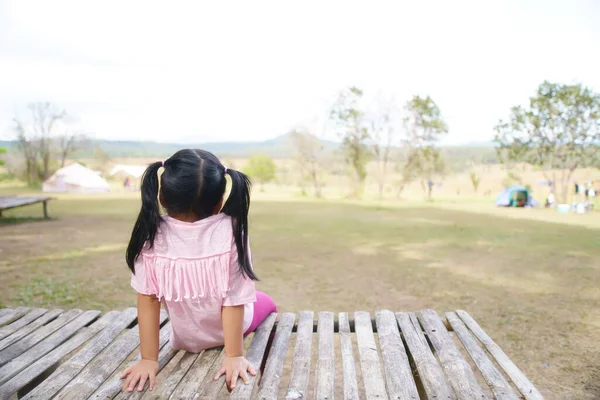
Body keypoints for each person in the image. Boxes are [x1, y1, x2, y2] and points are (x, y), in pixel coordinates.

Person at [120, 149, 277, 393]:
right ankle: (263, 369)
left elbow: (148, 298)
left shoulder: (150, 232)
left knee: (253, 299)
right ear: (219, 202)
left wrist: (149, 360)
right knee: (267, 302)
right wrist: (234, 355)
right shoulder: (232, 231)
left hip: (185, 337)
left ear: (162, 197)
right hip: (228, 334)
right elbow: (233, 299)